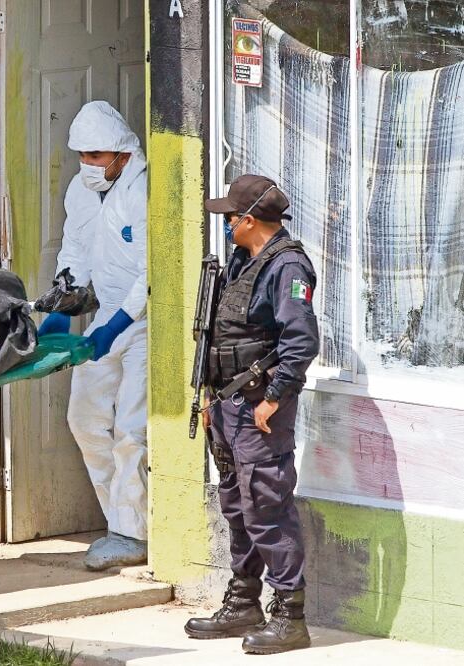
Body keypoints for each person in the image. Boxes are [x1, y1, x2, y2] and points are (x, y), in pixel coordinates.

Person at [184, 175, 320, 654]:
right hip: (226, 404)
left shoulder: (287, 268)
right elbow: (219, 335)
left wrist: (275, 397)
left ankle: (291, 616)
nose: (224, 224)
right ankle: (243, 601)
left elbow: (300, 342)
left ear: (248, 220)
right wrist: (207, 397)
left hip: (260, 408)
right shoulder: (242, 262)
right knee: (237, 506)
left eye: (229, 217)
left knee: (266, 506)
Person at [37, 101, 148, 571]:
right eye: (82, 155)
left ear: (122, 154)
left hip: (144, 324)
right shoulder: (81, 192)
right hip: (104, 317)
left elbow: (151, 270)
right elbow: (76, 249)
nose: (88, 164)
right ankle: (119, 521)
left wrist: (122, 323)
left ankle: (133, 532)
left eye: (97, 155)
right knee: (84, 419)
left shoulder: (143, 191)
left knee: (131, 429)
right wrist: (64, 301)